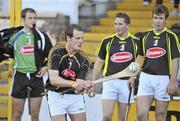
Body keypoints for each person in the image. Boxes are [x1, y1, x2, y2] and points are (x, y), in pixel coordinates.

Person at [1, 8, 52, 121]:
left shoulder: (42, 36)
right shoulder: (14, 36)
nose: (33, 20)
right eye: (30, 18)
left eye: (35, 18)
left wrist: (45, 66)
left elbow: (53, 55)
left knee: (34, 115)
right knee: (17, 115)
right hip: (19, 77)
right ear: (23, 19)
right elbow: (5, 51)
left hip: (36, 77)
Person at [133, 5, 180, 121]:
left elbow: (176, 60)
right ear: (152, 19)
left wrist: (172, 82)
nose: (157, 21)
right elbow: (139, 58)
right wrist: (132, 76)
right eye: (155, 18)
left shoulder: (171, 37)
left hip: (163, 79)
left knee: (160, 115)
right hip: (145, 78)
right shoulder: (144, 36)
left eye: (160, 18)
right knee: (141, 114)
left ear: (166, 20)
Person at [92, 12, 139, 121]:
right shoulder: (107, 41)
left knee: (122, 118)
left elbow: (139, 64)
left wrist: (134, 77)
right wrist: (93, 83)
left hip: (126, 83)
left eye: (120, 24)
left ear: (127, 26)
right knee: (106, 116)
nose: (116, 27)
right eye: (115, 24)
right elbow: (99, 63)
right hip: (109, 81)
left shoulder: (136, 42)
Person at [47, 24, 93, 121]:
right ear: (68, 38)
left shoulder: (84, 60)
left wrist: (84, 86)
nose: (81, 41)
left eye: (82, 38)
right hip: (56, 96)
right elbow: (54, 80)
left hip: (74, 98)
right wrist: (73, 83)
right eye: (77, 38)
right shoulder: (56, 51)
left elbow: (77, 90)